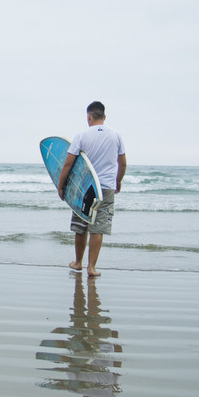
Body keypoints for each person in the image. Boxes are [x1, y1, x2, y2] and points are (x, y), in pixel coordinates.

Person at [56, 101, 126, 277]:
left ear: (89, 116)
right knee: (98, 227)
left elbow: (68, 164)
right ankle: (92, 267)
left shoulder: (81, 136)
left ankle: (78, 262)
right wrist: (118, 181)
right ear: (104, 117)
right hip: (106, 188)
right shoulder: (116, 135)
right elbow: (122, 163)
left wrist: (61, 185)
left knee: (81, 224)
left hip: (85, 188)